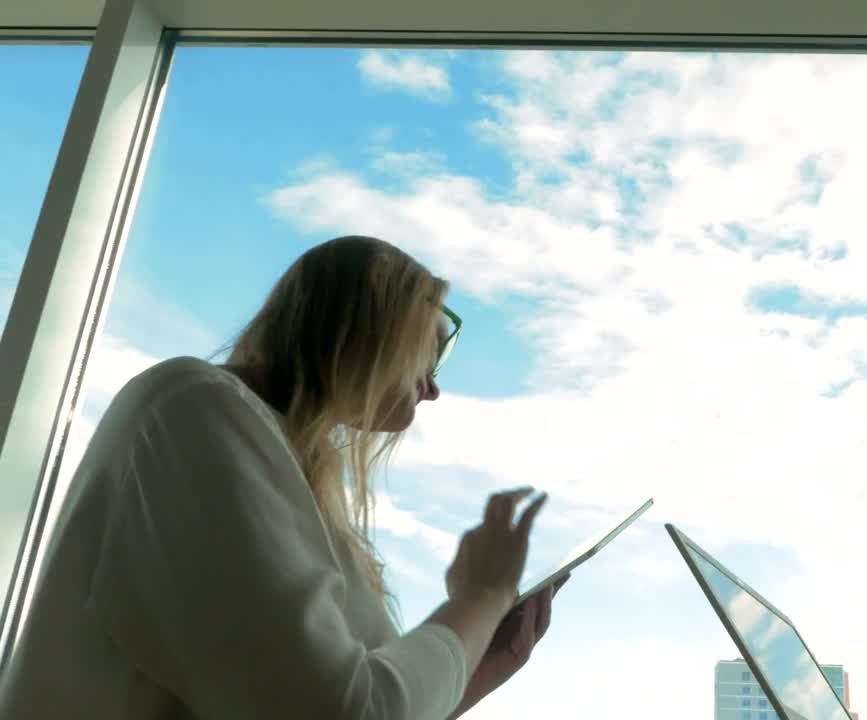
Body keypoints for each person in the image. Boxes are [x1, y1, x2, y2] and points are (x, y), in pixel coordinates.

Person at [0, 235, 559, 719]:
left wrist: (479, 661)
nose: (433, 386)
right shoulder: (192, 406)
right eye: (431, 346)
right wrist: (481, 598)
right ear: (374, 321)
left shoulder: (285, 472)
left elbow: (349, 705)